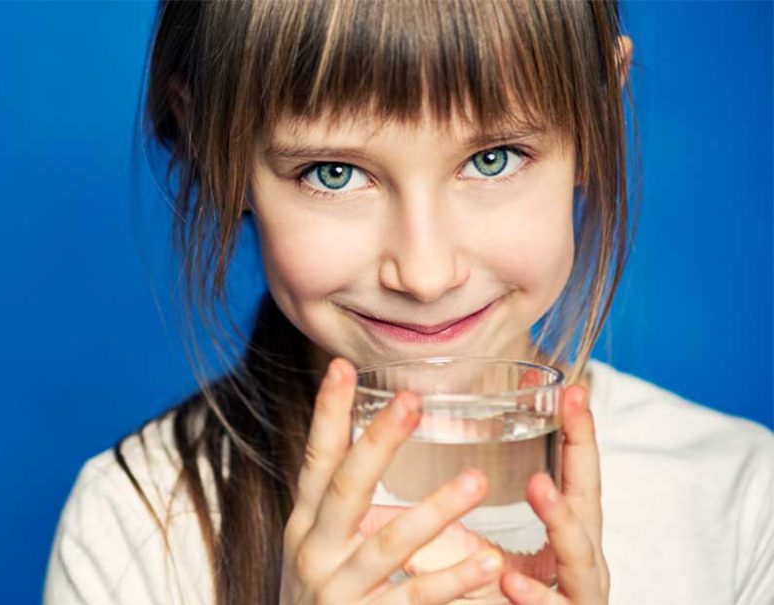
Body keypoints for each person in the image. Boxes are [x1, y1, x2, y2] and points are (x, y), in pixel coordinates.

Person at [43, 2, 773, 604]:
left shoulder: (740, 503)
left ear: (595, 122)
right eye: (332, 173)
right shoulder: (139, 523)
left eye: (493, 159)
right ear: (214, 143)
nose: (424, 273)